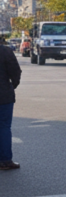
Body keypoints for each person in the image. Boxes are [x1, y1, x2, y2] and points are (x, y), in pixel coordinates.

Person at [0, 35, 22, 170]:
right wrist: (11, 86)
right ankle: (5, 160)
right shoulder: (5, 51)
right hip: (3, 95)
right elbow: (15, 72)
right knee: (3, 127)